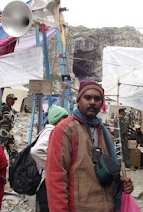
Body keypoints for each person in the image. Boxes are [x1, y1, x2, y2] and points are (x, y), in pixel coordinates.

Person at [46, 81, 134, 211]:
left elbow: (107, 172)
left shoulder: (105, 134)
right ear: (78, 100)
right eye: (87, 97)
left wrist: (122, 183)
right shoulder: (65, 130)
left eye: (97, 99)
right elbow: (55, 178)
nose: (92, 102)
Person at [31, 105, 68, 212]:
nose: (66, 121)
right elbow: (36, 151)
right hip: (46, 183)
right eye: (64, 117)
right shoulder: (51, 132)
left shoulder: (51, 131)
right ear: (57, 119)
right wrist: (53, 166)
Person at [0, 94, 18, 165]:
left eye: (14, 100)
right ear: (7, 100)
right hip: (1, 132)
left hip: (9, 132)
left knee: (14, 153)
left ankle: (12, 171)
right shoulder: (2, 109)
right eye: (11, 99)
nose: (13, 101)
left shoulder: (12, 110)